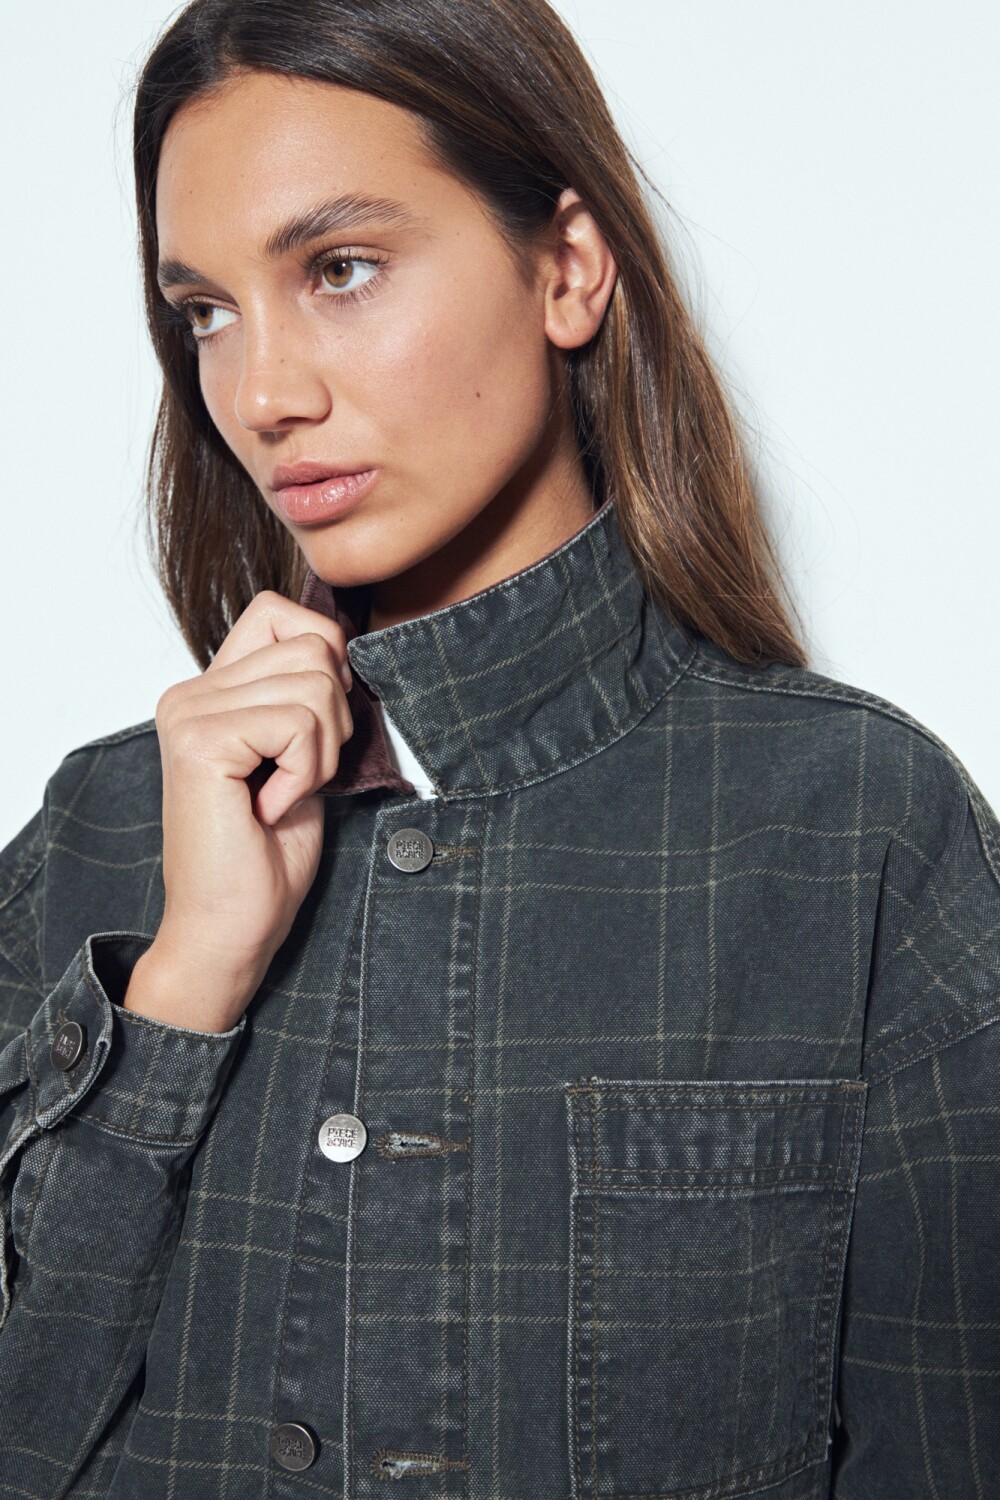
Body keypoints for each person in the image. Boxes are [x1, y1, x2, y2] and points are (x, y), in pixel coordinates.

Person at [0, 0, 997, 1495]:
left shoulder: (860, 834)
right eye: (205, 311)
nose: (263, 395)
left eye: (340, 269)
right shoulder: (96, 832)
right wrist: (181, 994)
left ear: (568, 268)